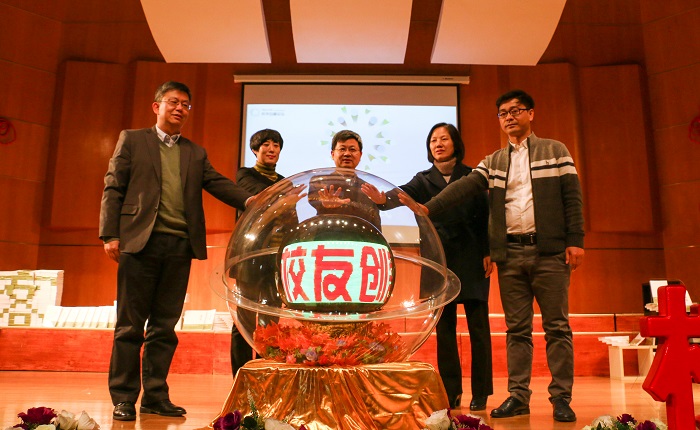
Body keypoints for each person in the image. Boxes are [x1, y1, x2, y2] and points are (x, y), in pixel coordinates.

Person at [403, 90, 584, 423]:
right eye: (503, 113)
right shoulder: (494, 161)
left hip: (549, 252)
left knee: (557, 328)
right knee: (517, 330)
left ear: (531, 113)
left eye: (516, 110)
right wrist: (428, 208)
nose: (509, 117)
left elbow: (572, 197)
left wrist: (575, 240)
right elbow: (462, 187)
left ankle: (561, 398)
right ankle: (518, 397)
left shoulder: (555, 151)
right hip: (510, 254)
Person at [99, 81, 253, 422]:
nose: (180, 108)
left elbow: (218, 183)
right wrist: (110, 234)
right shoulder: (132, 140)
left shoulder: (194, 153)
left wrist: (249, 199)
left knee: (165, 328)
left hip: (179, 247)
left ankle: (155, 395)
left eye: (186, 104)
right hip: (139, 243)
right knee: (129, 327)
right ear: (157, 106)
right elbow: (113, 186)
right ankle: (123, 397)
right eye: (174, 102)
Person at [362, 123, 494, 411]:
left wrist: (488, 251)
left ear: (455, 143)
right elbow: (402, 194)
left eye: (444, 139)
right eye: (433, 140)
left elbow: (486, 215)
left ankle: (481, 393)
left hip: (473, 256)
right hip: (440, 260)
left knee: (479, 329)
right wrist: (383, 200)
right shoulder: (423, 179)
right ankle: (451, 391)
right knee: (445, 330)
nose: (438, 144)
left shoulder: (472, 176)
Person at [230, 129, 286, 376]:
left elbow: (290, 216)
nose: (271, 149)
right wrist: (285, 197)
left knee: (271, 320)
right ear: (255, 149)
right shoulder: (245, 175)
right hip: (250, 257)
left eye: (276, 145)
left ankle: (266, 372)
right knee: (244, 319)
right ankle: (241, 374)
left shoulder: (285, 182)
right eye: (266, 144)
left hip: (275, 258)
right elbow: (263, 198)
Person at [307, 129, 381, 229]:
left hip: (359, 237)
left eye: (352, 149)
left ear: (360, 155)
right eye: (342, 149)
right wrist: (325, 205)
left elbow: (375, 224)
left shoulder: (368, 189)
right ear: (333, 154)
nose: (347, 154)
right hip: (327, 235)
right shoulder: (319, 181)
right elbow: (316, 202)